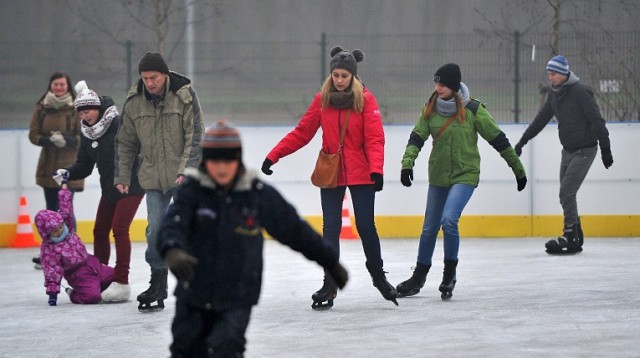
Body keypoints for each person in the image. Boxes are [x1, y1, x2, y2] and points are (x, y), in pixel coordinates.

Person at [157, 121, 348, 356]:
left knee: (227, 348)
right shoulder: (192, 192)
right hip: (194, 290)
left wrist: (329, 261)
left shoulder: (256, 195)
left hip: (238, 294)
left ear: (238, 159)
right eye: (215, 161)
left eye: (229, 160)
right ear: (205, 161)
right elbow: (171, 226)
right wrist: (172, 250)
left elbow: (295, 231)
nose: (222, 168)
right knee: (185, 348)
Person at [261, 45, 397, 308]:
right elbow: (303, 132)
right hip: (331, 172)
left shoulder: (366, 100)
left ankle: (379, 277)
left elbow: (375, 139)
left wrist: (376, 170)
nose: (339, 80)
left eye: (344, 75)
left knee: (366, 226)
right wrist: (273, 155)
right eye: (335, 75)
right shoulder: (322, 99)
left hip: (361, 172)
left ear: (353, 76)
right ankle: (329, 283)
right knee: (330, 228)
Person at [397, 63, 527, 300]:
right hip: (438, 176)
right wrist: (407, 164)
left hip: (465, 174)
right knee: (428, 229)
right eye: (436, 83)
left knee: (448, 220)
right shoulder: (430, 108)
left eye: (443, 84)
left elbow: (498, 139)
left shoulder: (473, 110)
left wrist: (517, 169)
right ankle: (419, 277)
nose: (438, 88)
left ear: (454, 86)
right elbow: (416, 137)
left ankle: (449, 275)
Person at [115, 51, 204, 312]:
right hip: (153, 176)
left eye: (153, 77)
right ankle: (158, 281)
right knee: (155, 230)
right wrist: (122, 175)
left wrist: (186, 170)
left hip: (183, 175)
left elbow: (196, 135)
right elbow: (126, 142)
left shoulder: (185, 96)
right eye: (145, 78)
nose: (149, 83)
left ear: (165, 75)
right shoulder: (134, 102)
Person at [52, 82, 145, 302]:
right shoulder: (87, 133)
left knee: (119, 229)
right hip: (110, 189)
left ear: (98, 108)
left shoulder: (118, 123)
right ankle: (100, 274)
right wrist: (67, 172)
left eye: (89, 110)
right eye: (82, 111)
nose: (86, 115)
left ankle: (122, 282)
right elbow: (84, 165)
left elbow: (135, 150)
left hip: (132, 185)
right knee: (99, 231)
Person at [514, 55, 613, 254]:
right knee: (565, 194)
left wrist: (605, 150)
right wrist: (523, 141)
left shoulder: (580, 92)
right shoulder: (554, 94)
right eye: (549, 74)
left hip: (586, 150)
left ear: (563, 73)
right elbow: (541, 119)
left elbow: (597, 121)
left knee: (567, 191)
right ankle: (576, 235)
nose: (550, 78)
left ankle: (570, 235)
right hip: (567, 151)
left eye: (553, 74)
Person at [28, 72, 84, 270]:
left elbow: (83, 135)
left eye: (62, 85)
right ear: (50, 86)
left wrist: (66, 141)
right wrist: (48, 140)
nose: (58, 88)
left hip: (69, 168)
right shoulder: (42, 107)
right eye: (55, 85)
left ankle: (72, 251)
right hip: (47, 166)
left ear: (67, 86)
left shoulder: (77, 107)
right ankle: (50, 252)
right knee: (51, 210)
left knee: (66, 210)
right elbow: (33, 135)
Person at [35, 183, 115, 305]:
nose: (60, 231)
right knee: (92, 297)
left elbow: (66, 209)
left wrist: (64, 191)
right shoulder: (49, 249)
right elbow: (52, 271)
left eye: (60, 227)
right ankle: (74, 294)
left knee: (118, 276)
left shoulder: (68, 227)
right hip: (78, 275)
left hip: (92, 263)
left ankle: (97, 286)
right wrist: (53, 293)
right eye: (55, 231)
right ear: (47, 234)